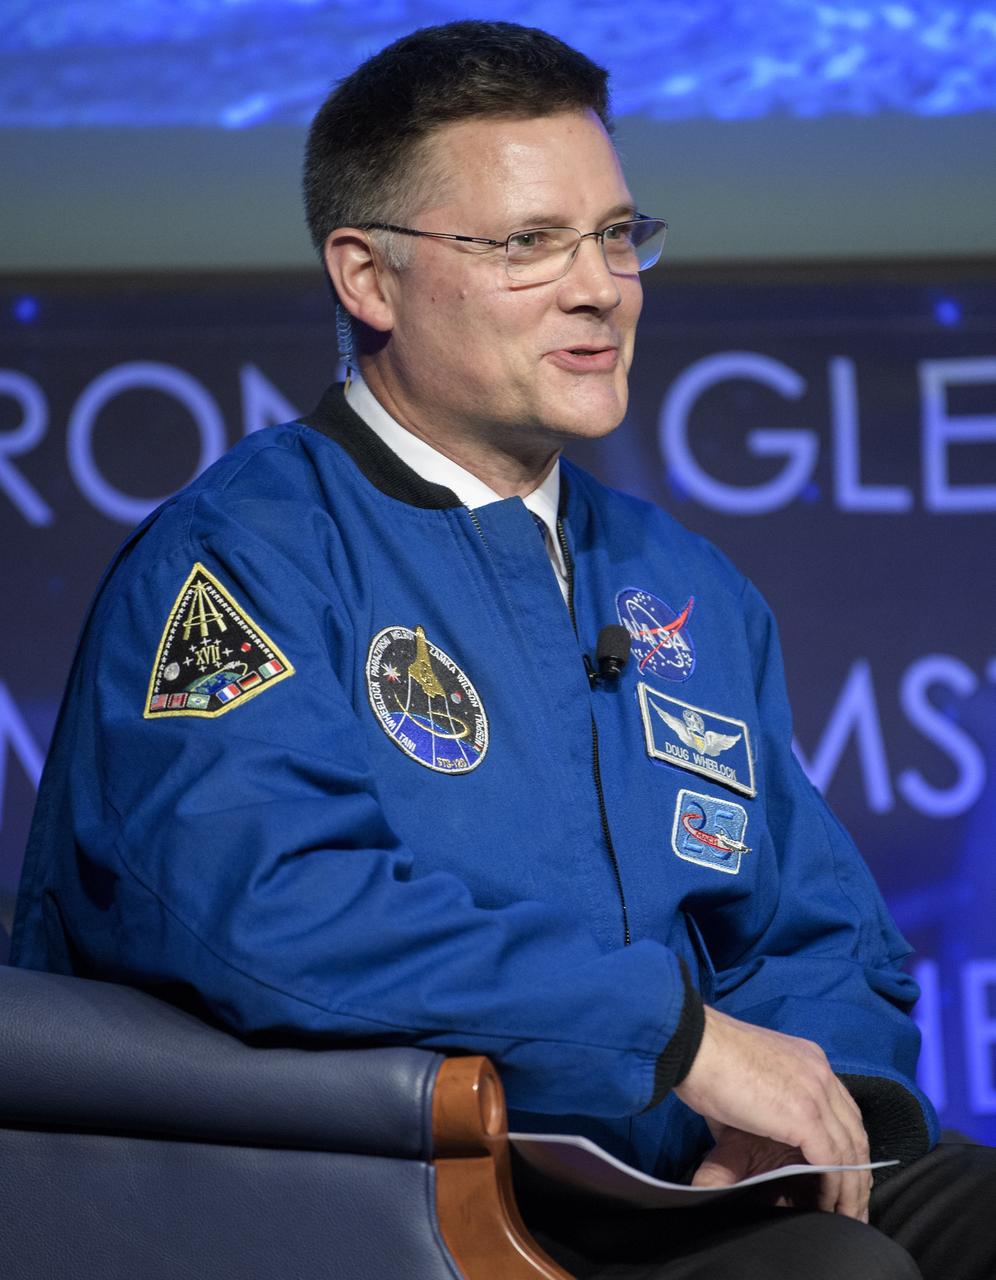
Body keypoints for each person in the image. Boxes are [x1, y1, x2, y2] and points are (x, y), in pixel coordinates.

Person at [9, 19, 994, 1279]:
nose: (601, 286)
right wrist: (675, 1037)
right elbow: (267, 906)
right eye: (530, 243)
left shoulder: (684, 583)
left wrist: (805, 1115)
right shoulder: (238, 561)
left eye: (617, 234)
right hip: (376, 1198)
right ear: (367, 277)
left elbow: (820, 932)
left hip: (697, 1181)